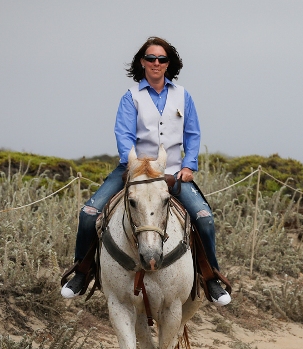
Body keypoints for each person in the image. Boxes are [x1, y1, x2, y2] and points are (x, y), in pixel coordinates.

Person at [61, 36, 231, 306]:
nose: (156, 63)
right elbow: (124, 135)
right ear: (142, 62)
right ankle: (82, 272)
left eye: (161, 59)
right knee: (88, 215)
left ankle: (211, 277)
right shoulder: (131, 97)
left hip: (173, 173)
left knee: (205, 219)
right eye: (151, 58)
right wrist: (133, 165)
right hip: (134, 172)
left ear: (168, 64)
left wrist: (189, 166)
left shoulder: (182, 95)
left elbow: (193, 134)